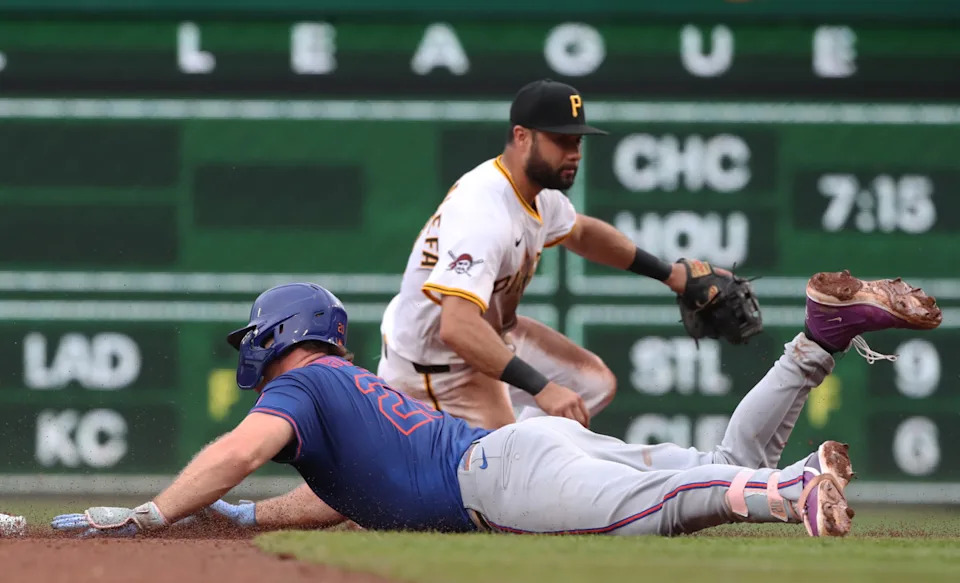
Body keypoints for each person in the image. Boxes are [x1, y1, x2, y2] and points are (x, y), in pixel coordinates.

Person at [51, 270, 940, 538]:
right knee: (711, 469)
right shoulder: (345, 389)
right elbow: (346, 490)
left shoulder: (301, 384)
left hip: (504, 480)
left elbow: (241, 448)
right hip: (524, 452)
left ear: (282, 334)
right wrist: (238, 517)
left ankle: (788, 492)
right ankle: (816, 341)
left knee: (655, 514)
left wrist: (156, 510)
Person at [379, 78, 726, 430]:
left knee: (592, 384)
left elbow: (583, 233)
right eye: (560, 140)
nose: (573, 153)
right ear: (521, 136)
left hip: (486, 334)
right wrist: (542, 388)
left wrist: (670, 274)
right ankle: (512, 453)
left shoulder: (537, 194)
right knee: (507, 472)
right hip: (437, 369)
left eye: (576, 141)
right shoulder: (484, 214)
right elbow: (456, 326)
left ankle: (526, 444)